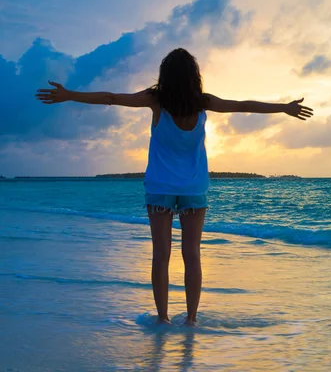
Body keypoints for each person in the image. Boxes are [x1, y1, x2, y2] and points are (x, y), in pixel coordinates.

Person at [35, 48, 313, 325]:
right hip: (193, 188)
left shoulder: (156, 100)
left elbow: (111, 98)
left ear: (164, 75)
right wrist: (284, 108)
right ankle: (191, 319)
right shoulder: (203, 102)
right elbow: (243, 106)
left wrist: (70, 94)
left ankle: (163, 318)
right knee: (192, 254)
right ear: (194, 76)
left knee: (161, 254)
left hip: (160, 188)